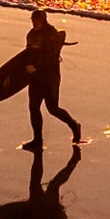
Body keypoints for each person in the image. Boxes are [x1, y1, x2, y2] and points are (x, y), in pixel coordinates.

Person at [23, 9, 80, 149]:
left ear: (43, 20)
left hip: (50, 77)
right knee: (33, 108)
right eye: (32, 20)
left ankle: (74, 125)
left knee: (52, 108)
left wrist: (35, 66)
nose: (34, 23)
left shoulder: (51, 35)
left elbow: (52, 56)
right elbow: (27, 54)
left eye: (36, 20)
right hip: (35, 77)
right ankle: (37, 140)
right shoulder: (31, 35)